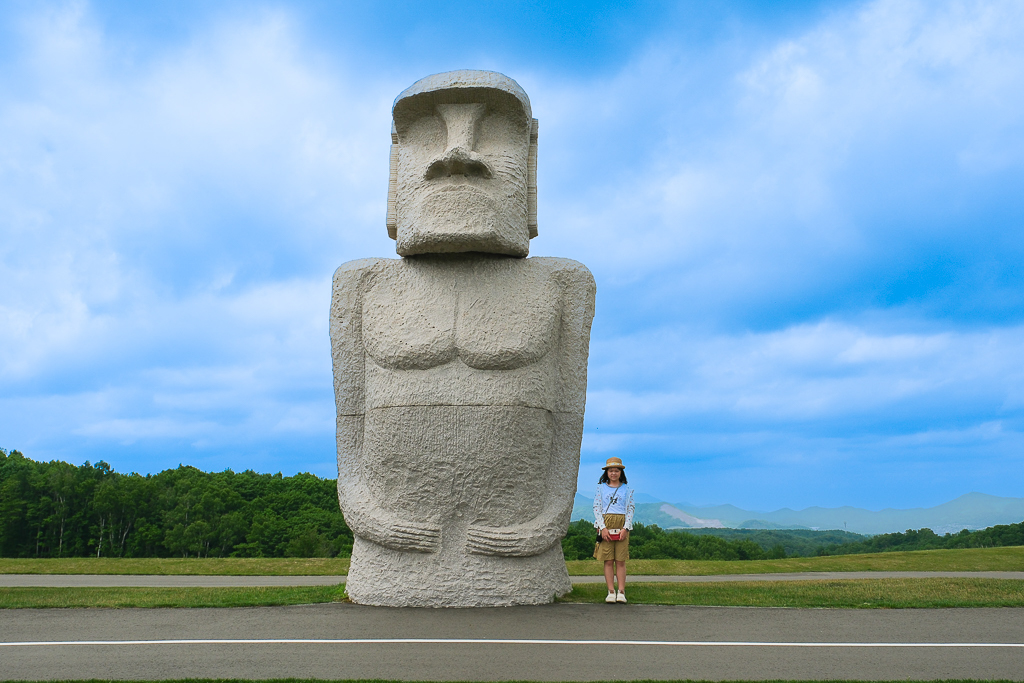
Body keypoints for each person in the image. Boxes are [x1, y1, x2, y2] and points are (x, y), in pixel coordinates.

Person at [593, 457, 635, 603]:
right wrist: (603, 528)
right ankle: (611, 591)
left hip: (622, 523)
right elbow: (597, 508)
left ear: (620, 472)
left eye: (616, 470)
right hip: (606, 523)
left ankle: (621, 591)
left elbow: (630, 509)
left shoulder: (626, 489)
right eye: (611, 471)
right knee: (608, 559)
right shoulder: (601, 488)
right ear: (607, 472)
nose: (613, 473)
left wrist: (626, 528)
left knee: (621, 559)